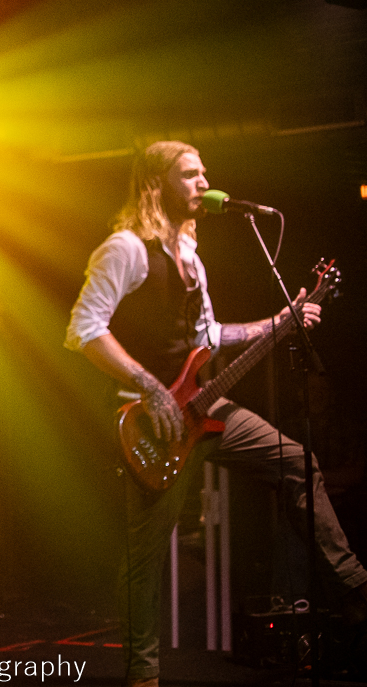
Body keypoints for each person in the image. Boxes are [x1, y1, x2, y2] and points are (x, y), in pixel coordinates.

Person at [65, 141, 367, 687]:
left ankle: (355, 591)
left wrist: (278, 322)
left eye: (204, 172)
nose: (204, 182)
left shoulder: (192, 255)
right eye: (189, 174)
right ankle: (143, 675)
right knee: (145, 557)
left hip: (203, 406)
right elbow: (84, 329)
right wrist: (150, 387)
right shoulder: (126, 249)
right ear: (155, 184)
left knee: (297, 462)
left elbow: (209, 336)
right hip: (149, 421)